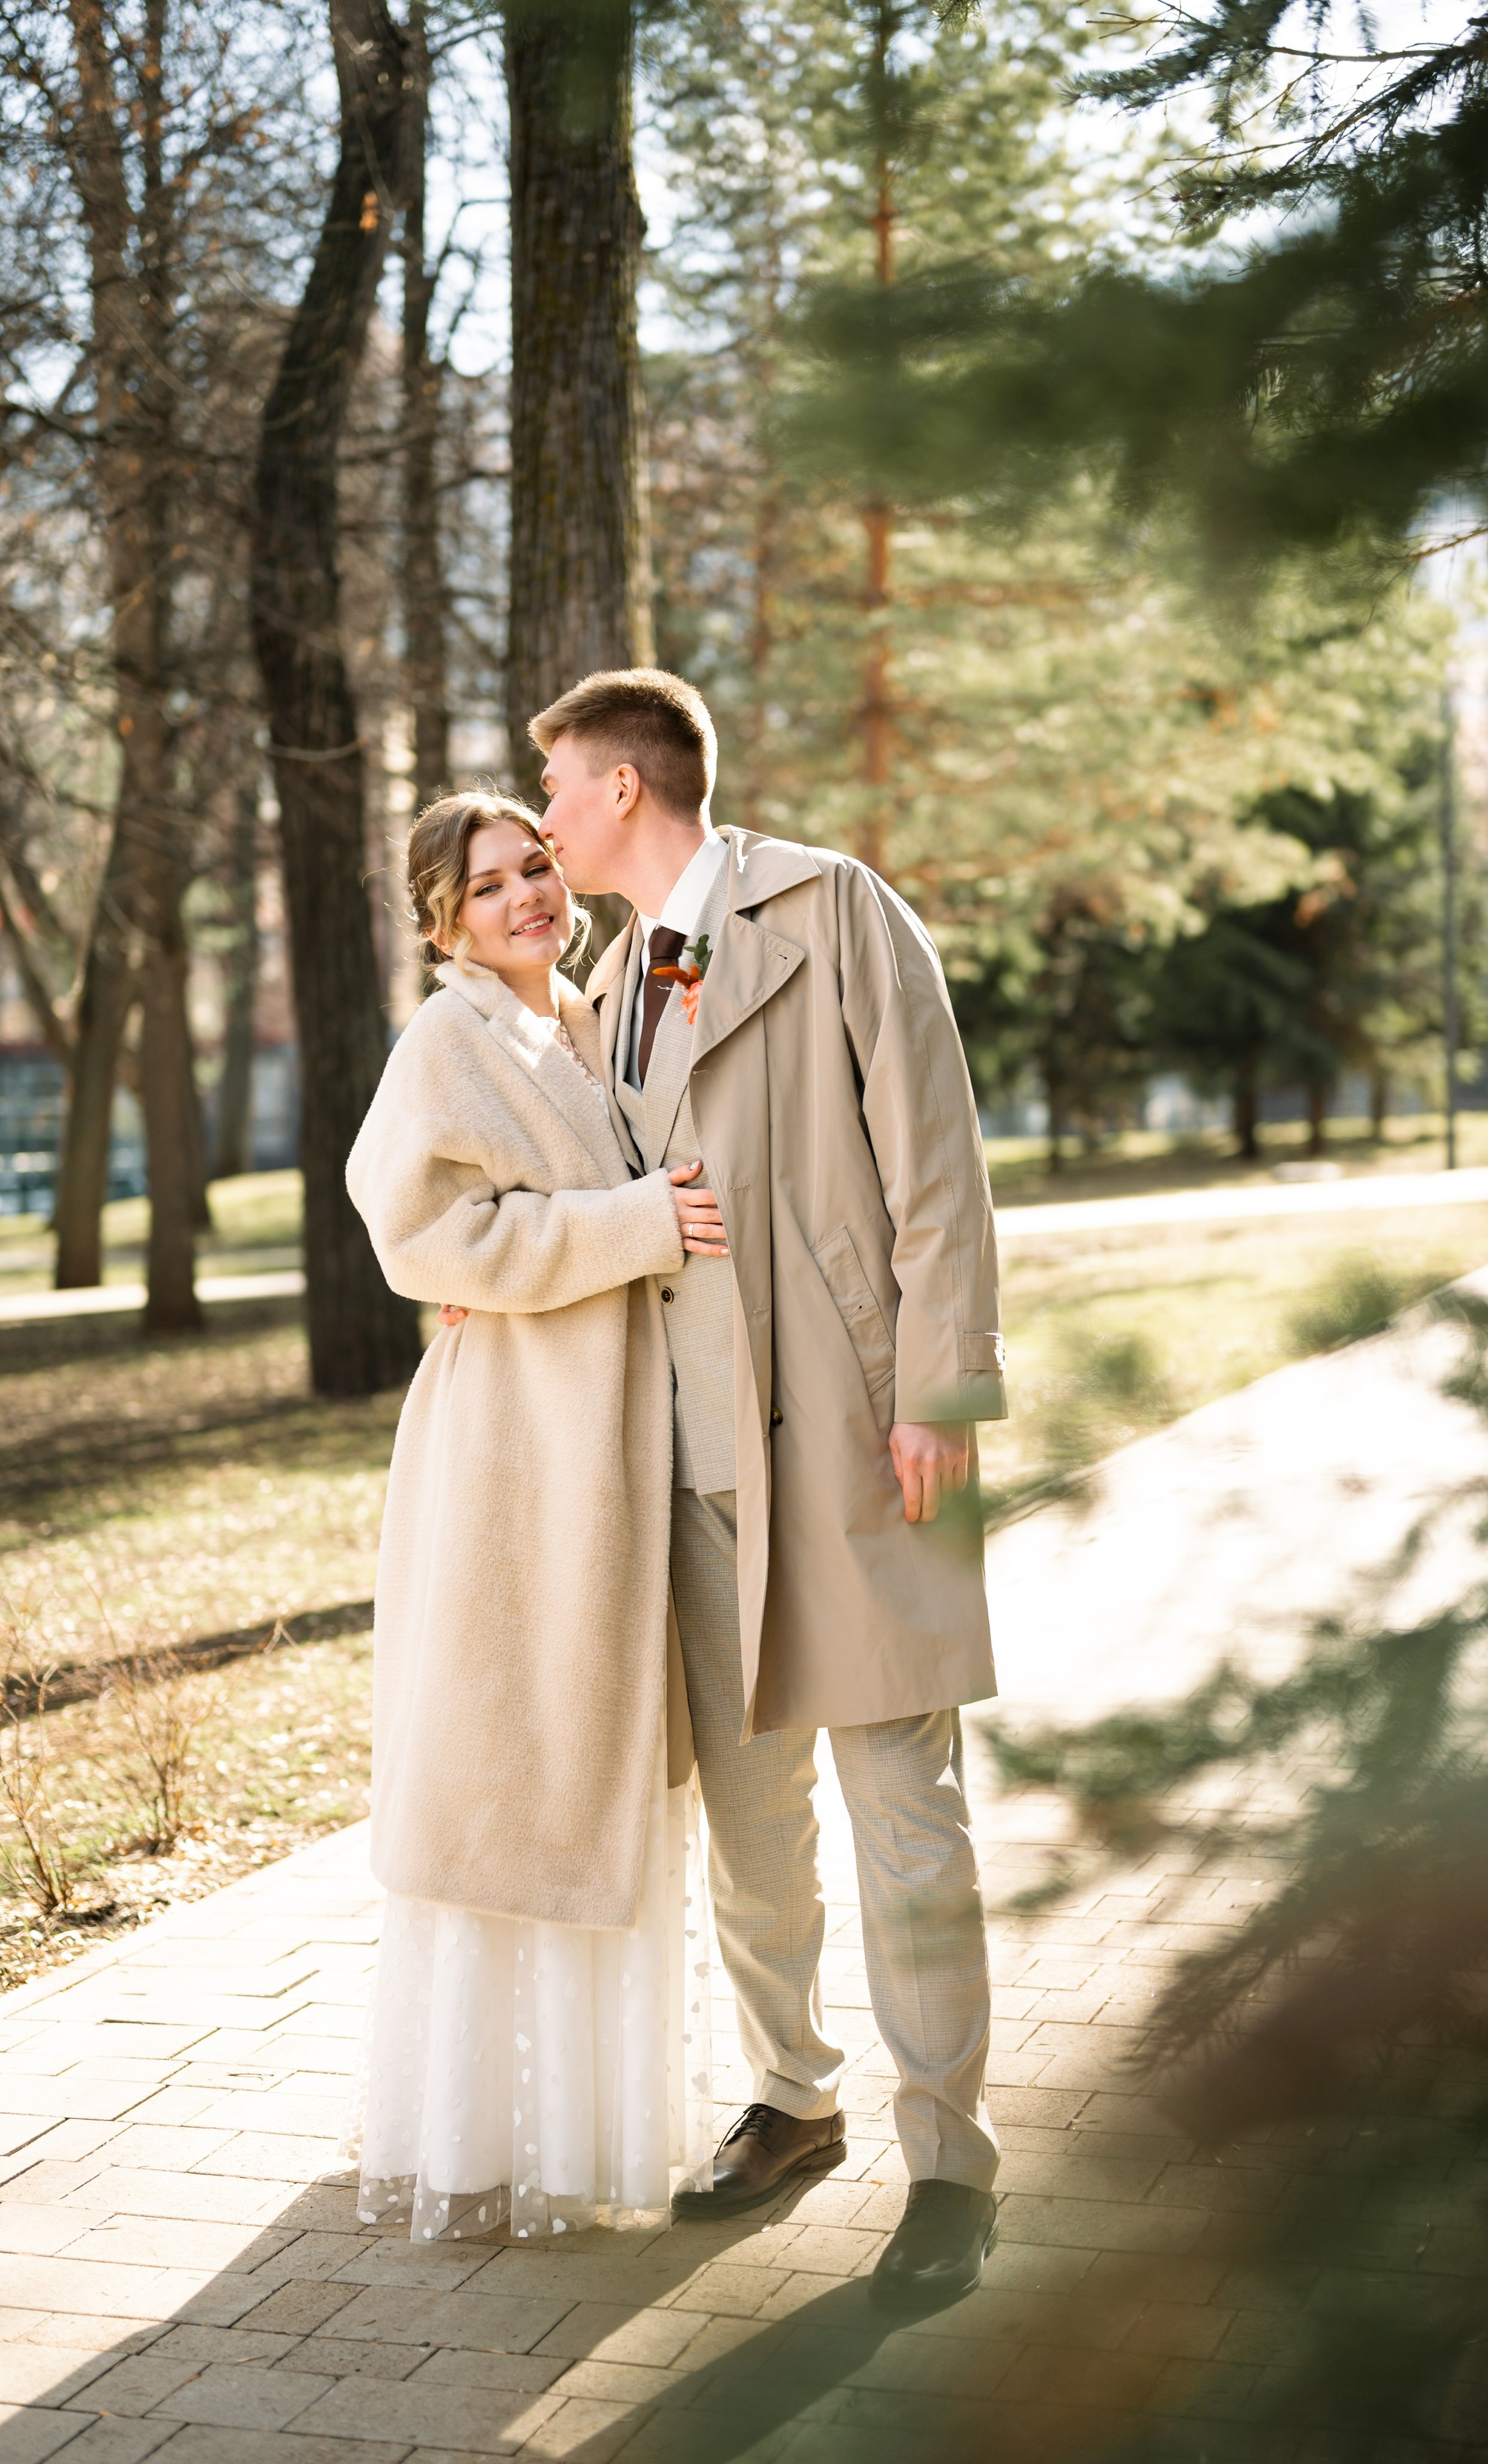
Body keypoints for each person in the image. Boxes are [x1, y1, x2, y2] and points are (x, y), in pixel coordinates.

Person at [531, 668, 1009, 2313]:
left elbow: (936, 1157)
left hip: (858, 1440)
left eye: (556, 791)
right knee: (748, 1830)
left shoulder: (832, 908)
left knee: (905, 1824)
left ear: (618, 790)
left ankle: (948, 2155)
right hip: (684, 1470)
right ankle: (790, 2101)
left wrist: (941, 1388)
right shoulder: (603, 980)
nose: (539, 823)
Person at [343, 790, 729, 2240]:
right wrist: (635, 1225)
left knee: (595, 1770)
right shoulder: (450, 1040)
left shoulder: (585, 1018)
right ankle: (472, 2141)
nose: (524, 895)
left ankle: (581, 2130)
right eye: (488, 883)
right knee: (507, 1779)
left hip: (605, 1441)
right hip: (513, 1452)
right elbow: (417, 1232)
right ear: (440, 918)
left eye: (536, 865)